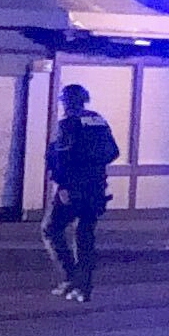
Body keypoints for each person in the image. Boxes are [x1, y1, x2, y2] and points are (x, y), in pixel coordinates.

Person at [42, 83, 119, 302]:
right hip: (96, 188)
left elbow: (60, 158)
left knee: (51, 229)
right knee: (85, 235)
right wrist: (93, 166)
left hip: (73, 188)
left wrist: (63, 185)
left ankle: (70, 278)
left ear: (66, 102)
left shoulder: (67, 124)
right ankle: (83, 287)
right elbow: (113, 151)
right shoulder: (98, 120)